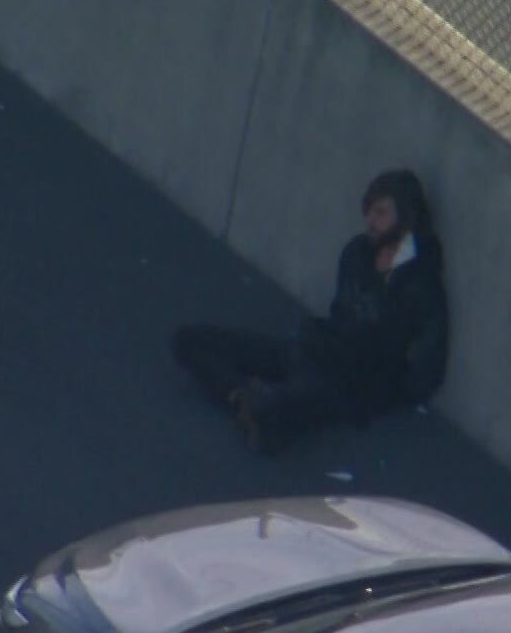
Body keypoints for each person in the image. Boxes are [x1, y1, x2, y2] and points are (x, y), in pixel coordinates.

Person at [172, 170, 450, 455]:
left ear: (407, 218)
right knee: (189, 340)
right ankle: (242, 398)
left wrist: (377, 392)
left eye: (381, 214)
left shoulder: (421, 284)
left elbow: (424, 369)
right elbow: (340, 311)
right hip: (314, 348)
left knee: (284, 406)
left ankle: (263, 409)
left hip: (347, 383)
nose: (371, 222)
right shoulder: (357, 252)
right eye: (369, 211)